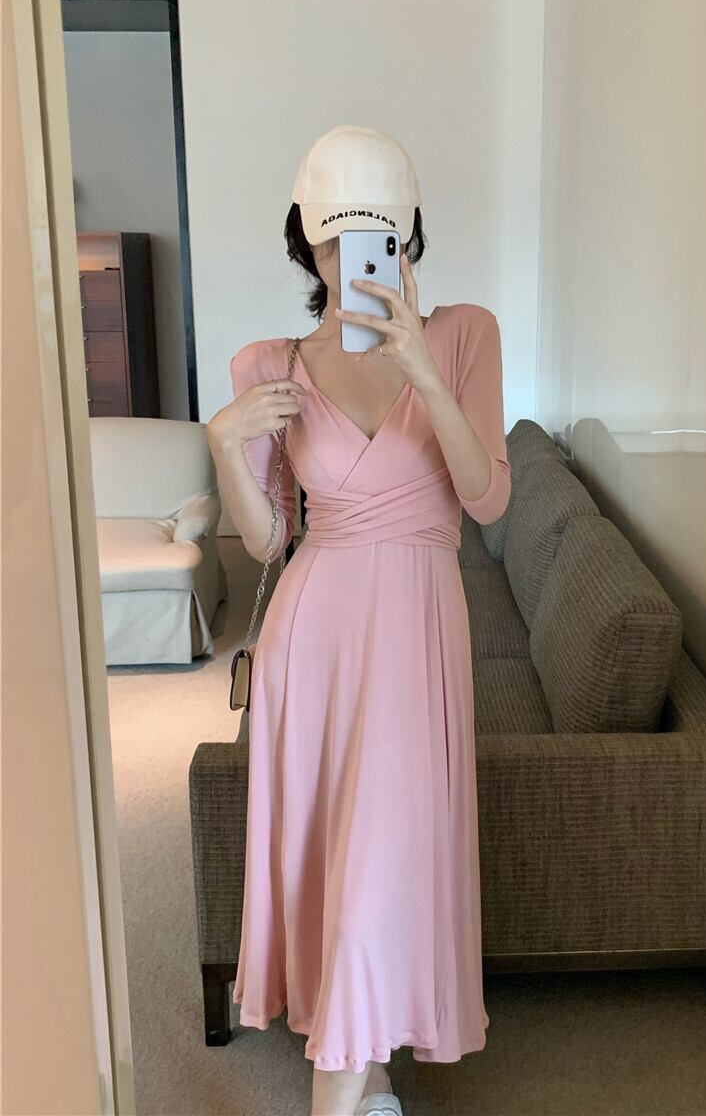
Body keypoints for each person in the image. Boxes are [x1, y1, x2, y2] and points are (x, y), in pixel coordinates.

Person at [207, 125, 511, 1116]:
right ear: (306, 239)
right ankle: (362, 1079)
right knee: (340, 869)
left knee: (381, 873)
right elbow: (267, 541)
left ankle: (358, 1073)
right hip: (317, 642)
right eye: (334, 239)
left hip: (419, 635)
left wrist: (423, 370)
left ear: (407, 236)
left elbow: (488, 497)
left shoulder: (464, 335)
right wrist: (224, 448)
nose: (352, 260)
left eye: (374, 235)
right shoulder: (272, 364)